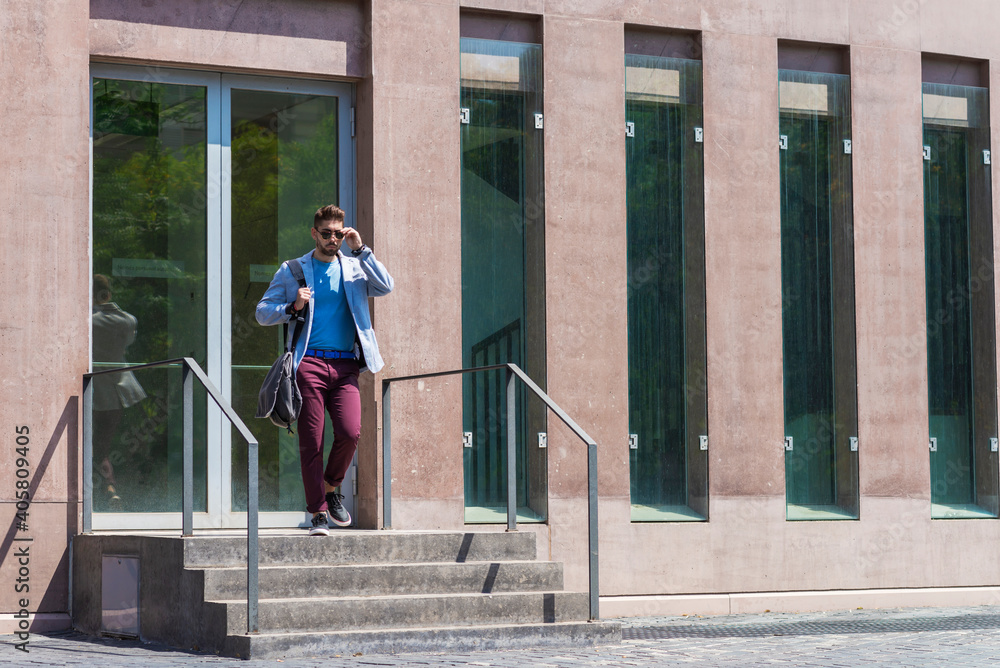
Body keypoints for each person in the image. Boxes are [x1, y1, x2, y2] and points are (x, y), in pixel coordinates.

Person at [255, 205, 393, 535]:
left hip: (345, 364)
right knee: (311, 441)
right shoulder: (293, 271)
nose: (334, 239)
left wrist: (360, 249)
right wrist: (292, 306)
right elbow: (262, 312)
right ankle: (317, 512)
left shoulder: (356, 268)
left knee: (350, 432)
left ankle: (332, 487)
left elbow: (386, 286)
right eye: (327, 233)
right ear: (314, 233)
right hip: (309, 364)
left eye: (339, 234)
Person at [92, 274, 147, 509]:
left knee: (99, 446)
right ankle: (113, 487)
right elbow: (127, 345)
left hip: (96, 394)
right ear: (109, 294)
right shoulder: (128, 321)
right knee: (113, 443)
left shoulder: (88, 321)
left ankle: (109, 486)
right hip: (124, 393)